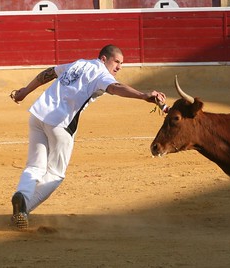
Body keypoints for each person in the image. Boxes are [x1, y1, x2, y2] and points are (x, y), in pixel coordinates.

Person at [9, 44, 166, 229]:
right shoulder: (101, 74)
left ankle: (22, 194)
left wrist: (25, 91)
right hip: (60, 123)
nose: (119, 67)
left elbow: (49, 73)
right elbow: (116, 88)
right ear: (103, 59)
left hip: (38, 114)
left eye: (121, 64)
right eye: (116, 61)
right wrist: (143, 95)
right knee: (55, 173)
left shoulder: (78, 63)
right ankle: (24, 207)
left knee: (35, 165)